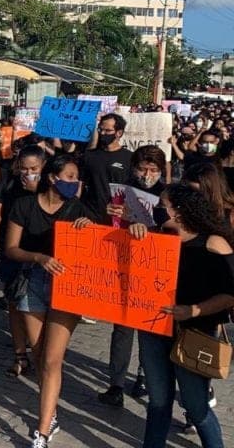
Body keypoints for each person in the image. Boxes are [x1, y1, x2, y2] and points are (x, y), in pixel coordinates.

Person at [4, 154, 95, 447]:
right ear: (53, 178)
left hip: (66, 286)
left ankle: (42, 430)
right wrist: (38, 258)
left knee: (53, 359)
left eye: (76, 178)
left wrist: (89, 229)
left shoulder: (78, 209)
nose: (74, 182)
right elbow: (11, 248)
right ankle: (51, 412)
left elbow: (96, 247)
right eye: (69, 177)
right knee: (40, 355)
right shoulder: (24, 205)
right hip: (33, 282)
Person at [135, 184, 234, 448]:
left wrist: (194, 310)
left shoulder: (213, 244)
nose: (157, 209)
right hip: (154, 331)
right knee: (158, 401)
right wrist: (134, 232)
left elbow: (229, 294)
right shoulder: (154, 237)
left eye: (162, 205)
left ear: (179, 211)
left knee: (196, 406)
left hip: (195, 333)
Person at [98, 145, 167, 405]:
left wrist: (150, 228)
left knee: (150, 328)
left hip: (154, 269)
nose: (147, 175)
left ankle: (144, 375)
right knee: (122, 328)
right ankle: (116, 383)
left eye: (153, 170)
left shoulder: (167, 195)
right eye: (142, 169)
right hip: (124, 265)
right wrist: (111, 215)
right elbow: (109, 228)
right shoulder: (121, 192)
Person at [0, 145, 45, 376]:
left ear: (43, 167)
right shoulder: (9, 183)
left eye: (34, 169)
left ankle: (40, 353)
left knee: (36, 307)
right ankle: (20, 354)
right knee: (14, 302)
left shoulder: (50, 186)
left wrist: (37, 189)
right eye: (24, 168)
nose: (28, 173)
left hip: (40, 252)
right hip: (12, 251)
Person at [82, 113, 132, 225]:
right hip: (90, 217)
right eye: (101, 130)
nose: (103, 134)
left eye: (108, 131)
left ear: (119, 133)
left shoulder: (130, 158)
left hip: (117, 218)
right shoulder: (89, 156)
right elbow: (80, 185)